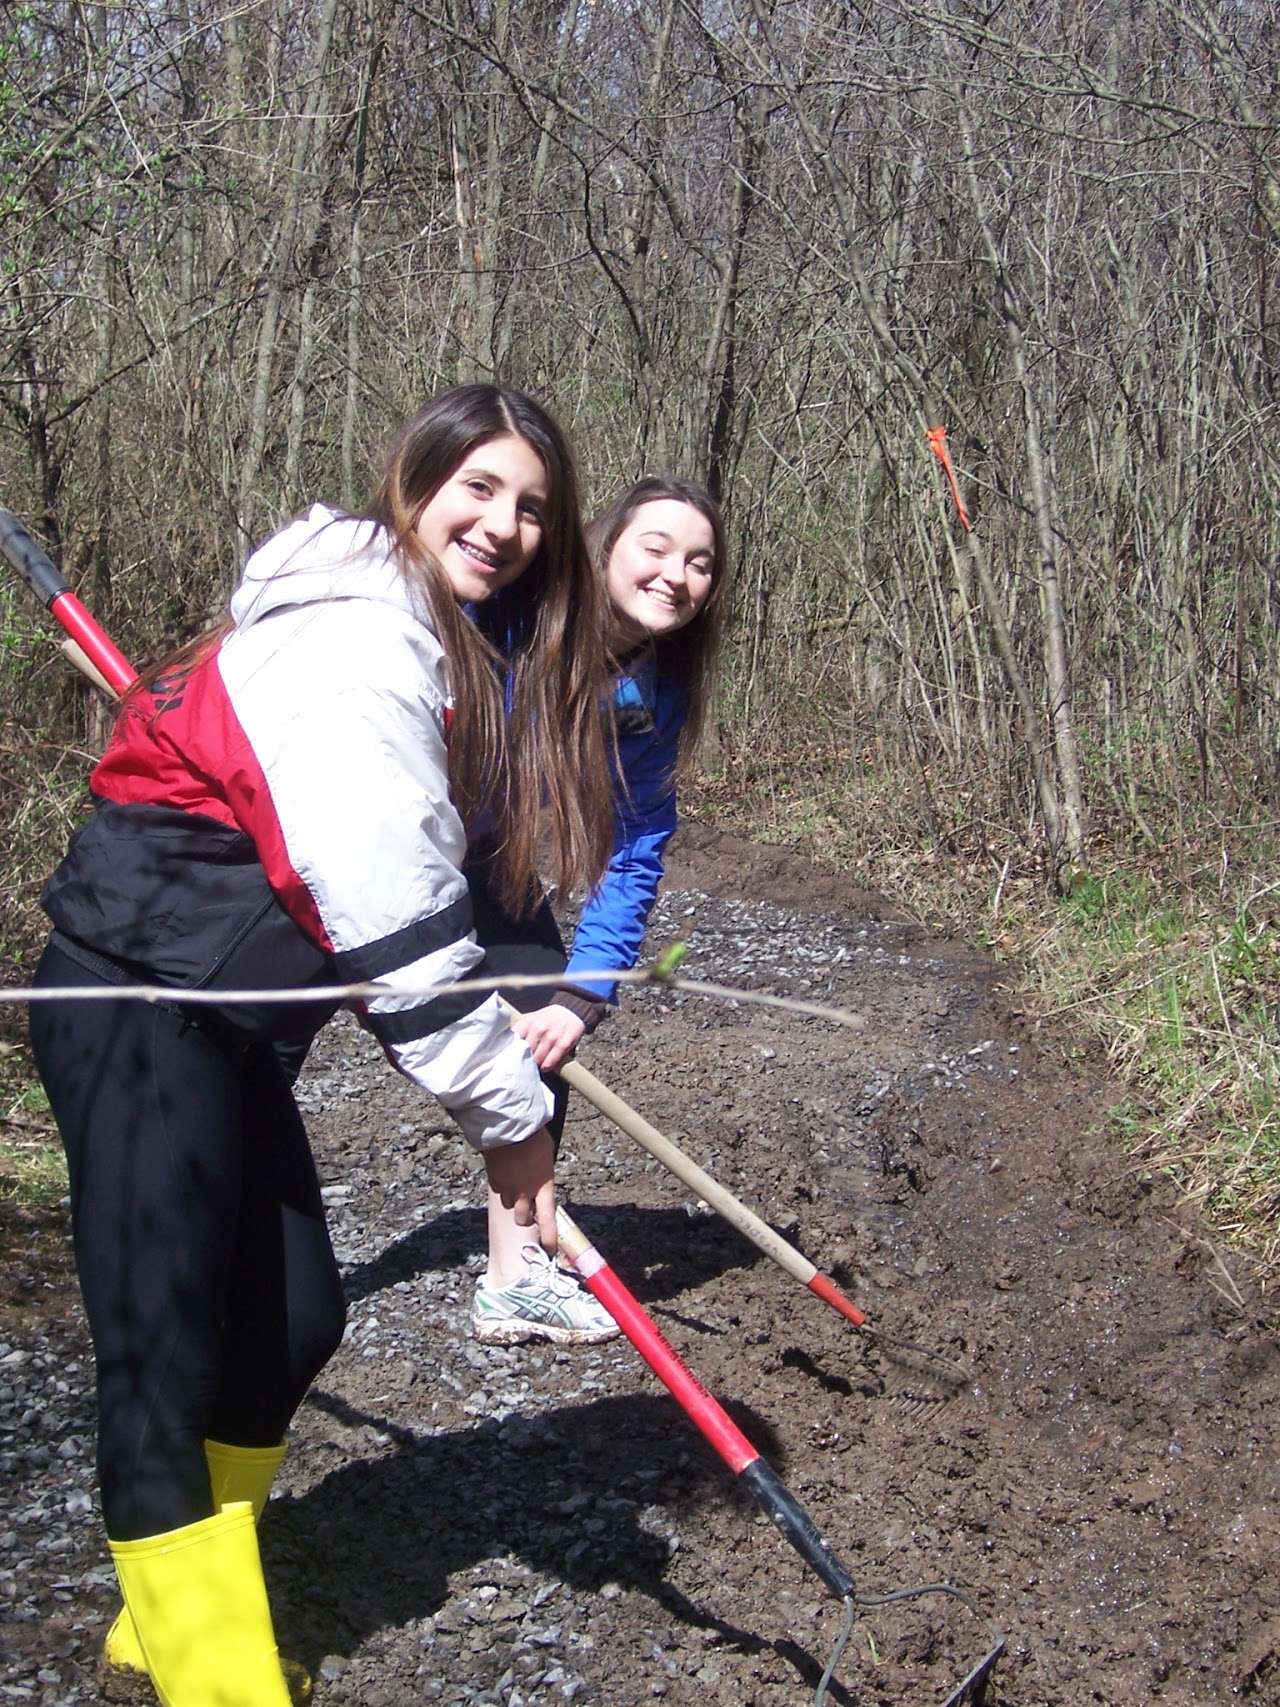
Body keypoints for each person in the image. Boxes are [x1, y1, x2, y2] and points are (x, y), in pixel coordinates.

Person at [27, 385, 614, 1707]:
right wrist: (512, 1123)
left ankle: (162, 1618)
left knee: (293, 1315)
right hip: (134, 1001)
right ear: (415, 478)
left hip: (231, 1027)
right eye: (481, 488)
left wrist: (520, 1001)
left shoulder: (437, 636)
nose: (506, 522)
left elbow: (449, 888)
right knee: (161, 1353)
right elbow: (396, 920)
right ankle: (216, 1674)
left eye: (531, 505)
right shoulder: (360, 642)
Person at [469, 475, 730, 1347]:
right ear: (607, 545)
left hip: (483, 858)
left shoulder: (654, 694)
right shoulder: (513, 614)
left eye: (699, 563)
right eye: (655, 547)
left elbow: (636, 844)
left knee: (541, 1032)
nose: (675, 574)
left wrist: (583, 993)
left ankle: (514, 1274)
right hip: (379, 837)